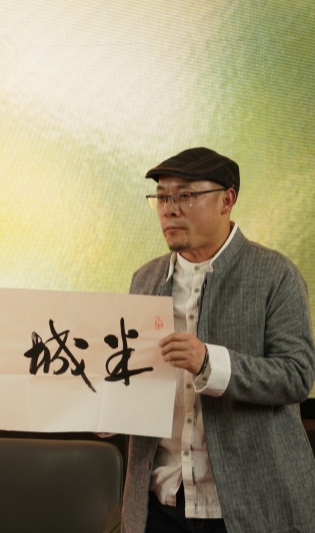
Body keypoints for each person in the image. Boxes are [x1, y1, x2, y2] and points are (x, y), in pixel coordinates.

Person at [122, 147, 315, 532]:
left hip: (249, 507)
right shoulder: (145, 279)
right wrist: (105, 408)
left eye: (185, 195)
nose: (169, 209)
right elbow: (135, 378)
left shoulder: (275, 274)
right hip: (160, 501)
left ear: (227, 200)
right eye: (162, 197)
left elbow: (297, 376)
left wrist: (210, 363)